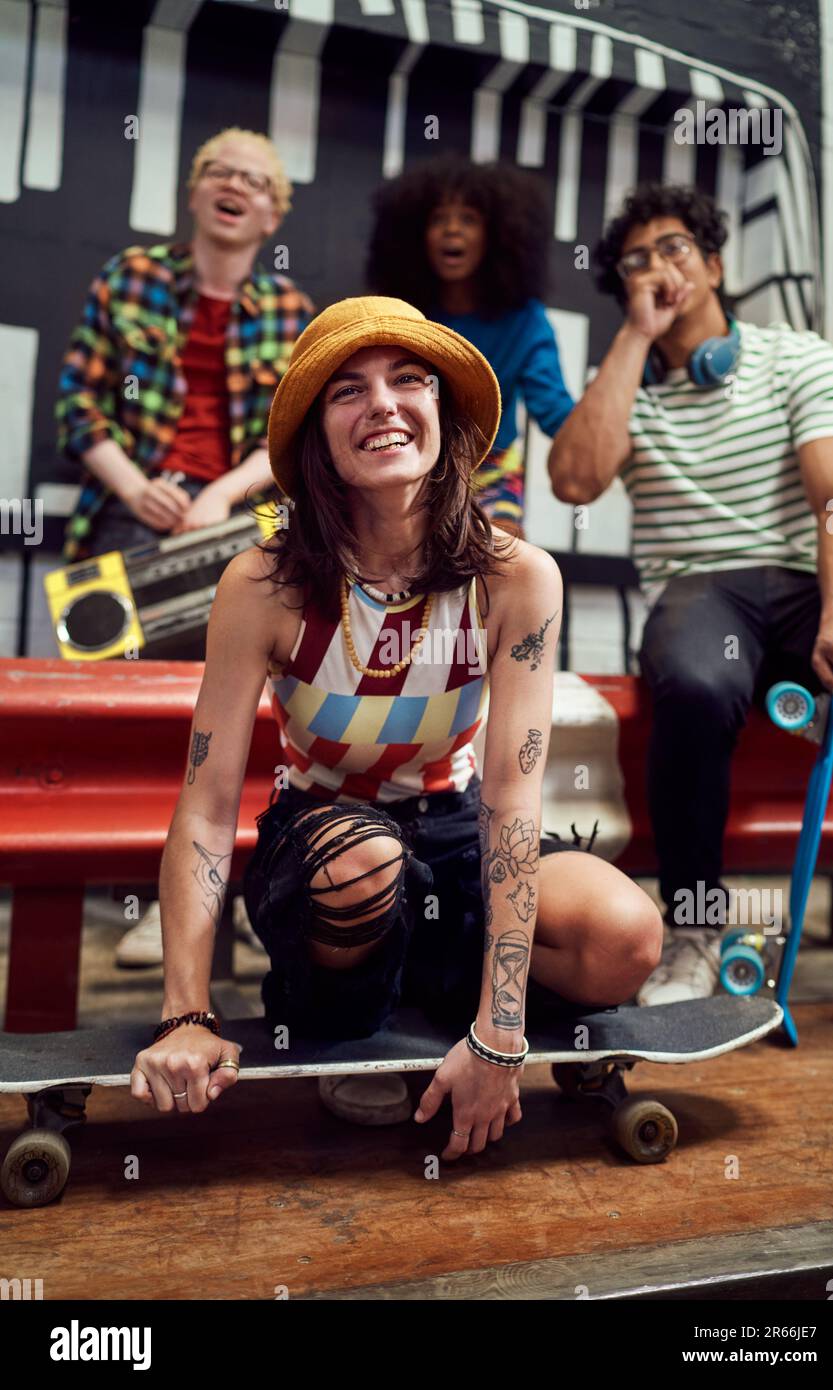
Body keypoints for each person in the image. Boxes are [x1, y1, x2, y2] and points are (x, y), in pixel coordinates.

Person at [129, 295, 663, 1155]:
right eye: (347, 391)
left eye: (407, 380)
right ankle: (342, 1003)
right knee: (365, 865)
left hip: (451, 827)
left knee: (626, 937)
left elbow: (511, 801)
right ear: (317, 438)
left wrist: (499, 1031)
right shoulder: (261, 582)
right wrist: (186, 1012)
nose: (381, 402)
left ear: (440, 414)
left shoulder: (516, 576)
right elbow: (204, 804)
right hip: (324, 833)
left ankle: (430, 995)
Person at [548, 182, 833, 1025]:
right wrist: (636, 335)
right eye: (635, 261)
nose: (656, 267)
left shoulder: (797, 358)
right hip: (700, 588)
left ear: (715, 263)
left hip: (803, 581)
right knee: (693, 684)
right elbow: (575, 478)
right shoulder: (622, 381)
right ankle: (691, 929)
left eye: (675, 248)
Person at [55, 126, 314, 967]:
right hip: (131, 512)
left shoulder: (289, 309)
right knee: (120, 694)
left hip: (249, 514)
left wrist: (217, 493)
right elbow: (78, 408)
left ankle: (244, 888)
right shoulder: (128, 278)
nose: (235, 186)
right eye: (220, 173)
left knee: (263, 691)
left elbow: (294, 436)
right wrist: (138, 487)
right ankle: (147, 893)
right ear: (195, 191)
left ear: (271, 213)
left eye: (255, 181)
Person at [366, 156, 574, 539]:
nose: (452, 231)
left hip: (492, 469)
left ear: (497, 236)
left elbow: (556, 413)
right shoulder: (399, 314)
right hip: (408, 463)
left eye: (468, 219)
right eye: (438, 219)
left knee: (502, 557)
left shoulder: (525, 321)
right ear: (415, 235)